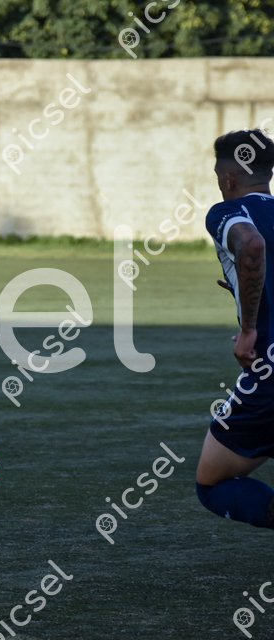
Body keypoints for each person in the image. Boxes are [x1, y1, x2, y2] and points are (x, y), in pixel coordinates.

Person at [196, 129, 274, 529]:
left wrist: (248, 328)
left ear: (227, 179)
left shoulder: (226, 212)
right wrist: (248, 291)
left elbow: (253, 246)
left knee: (212, 483)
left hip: (269, 374)